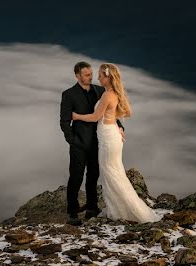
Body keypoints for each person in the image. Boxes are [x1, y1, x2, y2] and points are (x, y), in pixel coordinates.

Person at [72, 63, 161, 223]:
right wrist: (115, 123)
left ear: (108, 77)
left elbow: (94, 117)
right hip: (111, 133)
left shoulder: (107, 95)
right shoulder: (112, 93)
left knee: (111, 173)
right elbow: (126, 112)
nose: (97, 77)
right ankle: (118, 208)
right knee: (113, 172)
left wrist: (76, 116)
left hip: (108, 138)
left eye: (100, 74)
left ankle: (127, 211)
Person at [59, 61, 125, 226]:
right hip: (79, 143)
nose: (91, 77)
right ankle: (72, 213)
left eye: (91, 74)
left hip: (99, 142)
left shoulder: (100, 90)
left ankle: (91, 208)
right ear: (77, 76)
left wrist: (120, 127)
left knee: (93, 176)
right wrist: (72, 140)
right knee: (76, 177)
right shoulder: (68, 94)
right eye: (86, 75)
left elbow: (111, 112)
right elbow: (64, 121)